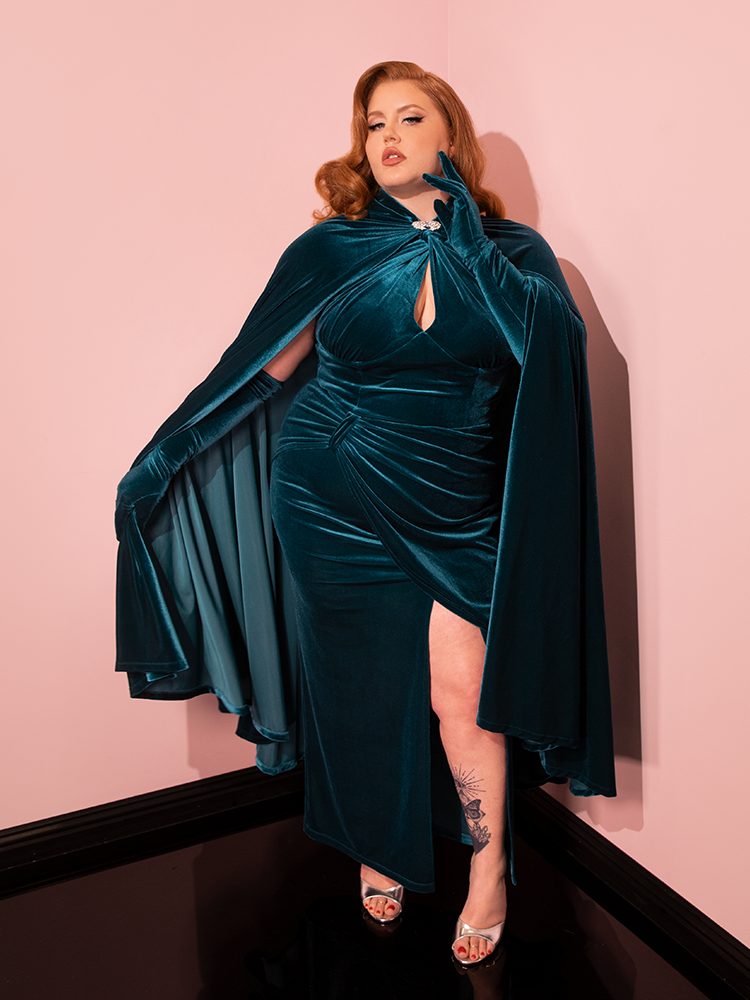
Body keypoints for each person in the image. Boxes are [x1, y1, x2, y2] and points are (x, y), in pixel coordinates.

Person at [115, 61, 616, 967]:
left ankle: (489, 867)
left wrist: (467, 245)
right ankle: (375, 845)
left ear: (449, 134)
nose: (386, 136)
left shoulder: (515, 253)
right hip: (325, 498)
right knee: (356, 685)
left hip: (451, 504)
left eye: (408, 117)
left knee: (462, 692)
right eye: (373, 122)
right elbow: (259, 369)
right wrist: (167, 451)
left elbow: (545, 348)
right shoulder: (329, 249)